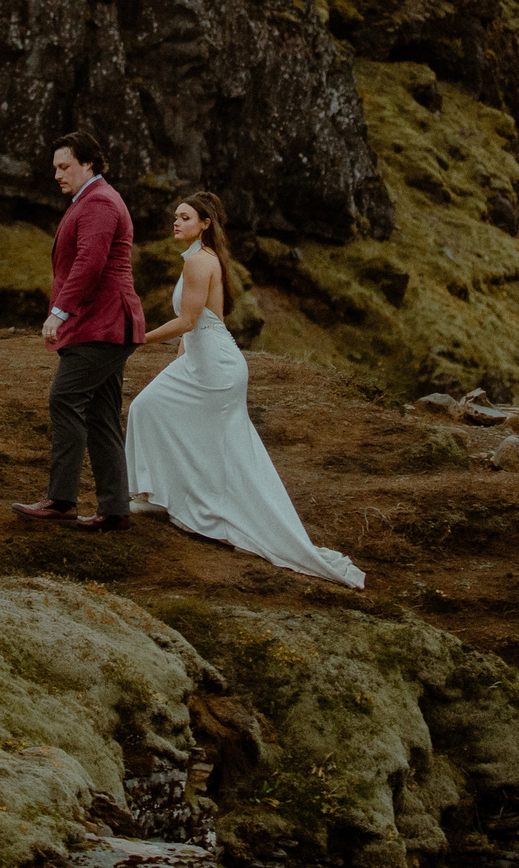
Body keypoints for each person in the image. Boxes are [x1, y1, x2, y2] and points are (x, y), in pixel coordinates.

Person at [125, 190, 365, 589]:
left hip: (216, 367)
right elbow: (205, 320)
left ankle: (204, 506)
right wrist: (182, 358)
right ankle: (154, 494)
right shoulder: (199, 259)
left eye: (185, 217)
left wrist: (139, 338)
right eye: (176, 216)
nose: (176, 222)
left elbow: (189, 321)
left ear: (204, 224)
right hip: (203, 359)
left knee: (220, 442)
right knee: (148, 407)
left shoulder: (200, 262)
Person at [11, 131, 147, 532]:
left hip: (103, 324)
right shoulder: (93, 199)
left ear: (88, 163)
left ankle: (61, 501)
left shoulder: (100, 201)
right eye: (55, 167)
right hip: (105, 324)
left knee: (65, 398)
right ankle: (114, 511)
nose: (57, 174)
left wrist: (59, 313)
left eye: (64, 166)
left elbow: (90, 262)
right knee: (101, 414)